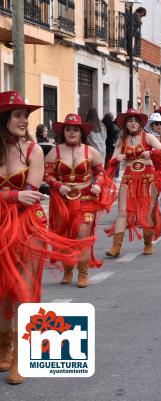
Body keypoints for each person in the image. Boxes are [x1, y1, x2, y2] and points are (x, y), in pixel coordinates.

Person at [0, 91, 93, 384]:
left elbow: (31, 193)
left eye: (25, 115)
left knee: (25, 290)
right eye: (17, 114)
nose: (24, 119)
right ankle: (4, 345)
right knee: (3, 291)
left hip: (28, 226)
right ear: (3, 118)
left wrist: (14, 195)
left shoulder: (34, 151)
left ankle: (20, 357)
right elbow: (19, 194)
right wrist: (13, 194)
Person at [44, 114, 117, 288]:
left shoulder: (90, 151)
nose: (71, 132)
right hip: (62, 200)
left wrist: (98, 184)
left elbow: (100, 173)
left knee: (82, 234)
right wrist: (58, 185)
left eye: (75, 129)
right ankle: (68, 269)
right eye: (68, 129)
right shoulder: (56, 151)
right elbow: (46, 174)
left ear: (81, 132)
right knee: (65, 236)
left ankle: (83, 273)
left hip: (86, 199)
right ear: (63, 132)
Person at [105, 109, 161, 257]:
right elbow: (112, 160)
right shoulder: (122, 139)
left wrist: (151, 153)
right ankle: (116, 247)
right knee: (122, 211)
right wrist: (117, 159)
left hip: (147, 177)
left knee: (146, 210)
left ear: (140, 123)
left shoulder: (148, 137)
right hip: (128, 177)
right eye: (129, 121)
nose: (132, 123)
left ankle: (148, 243)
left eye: (135, 121)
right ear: (126, 124)